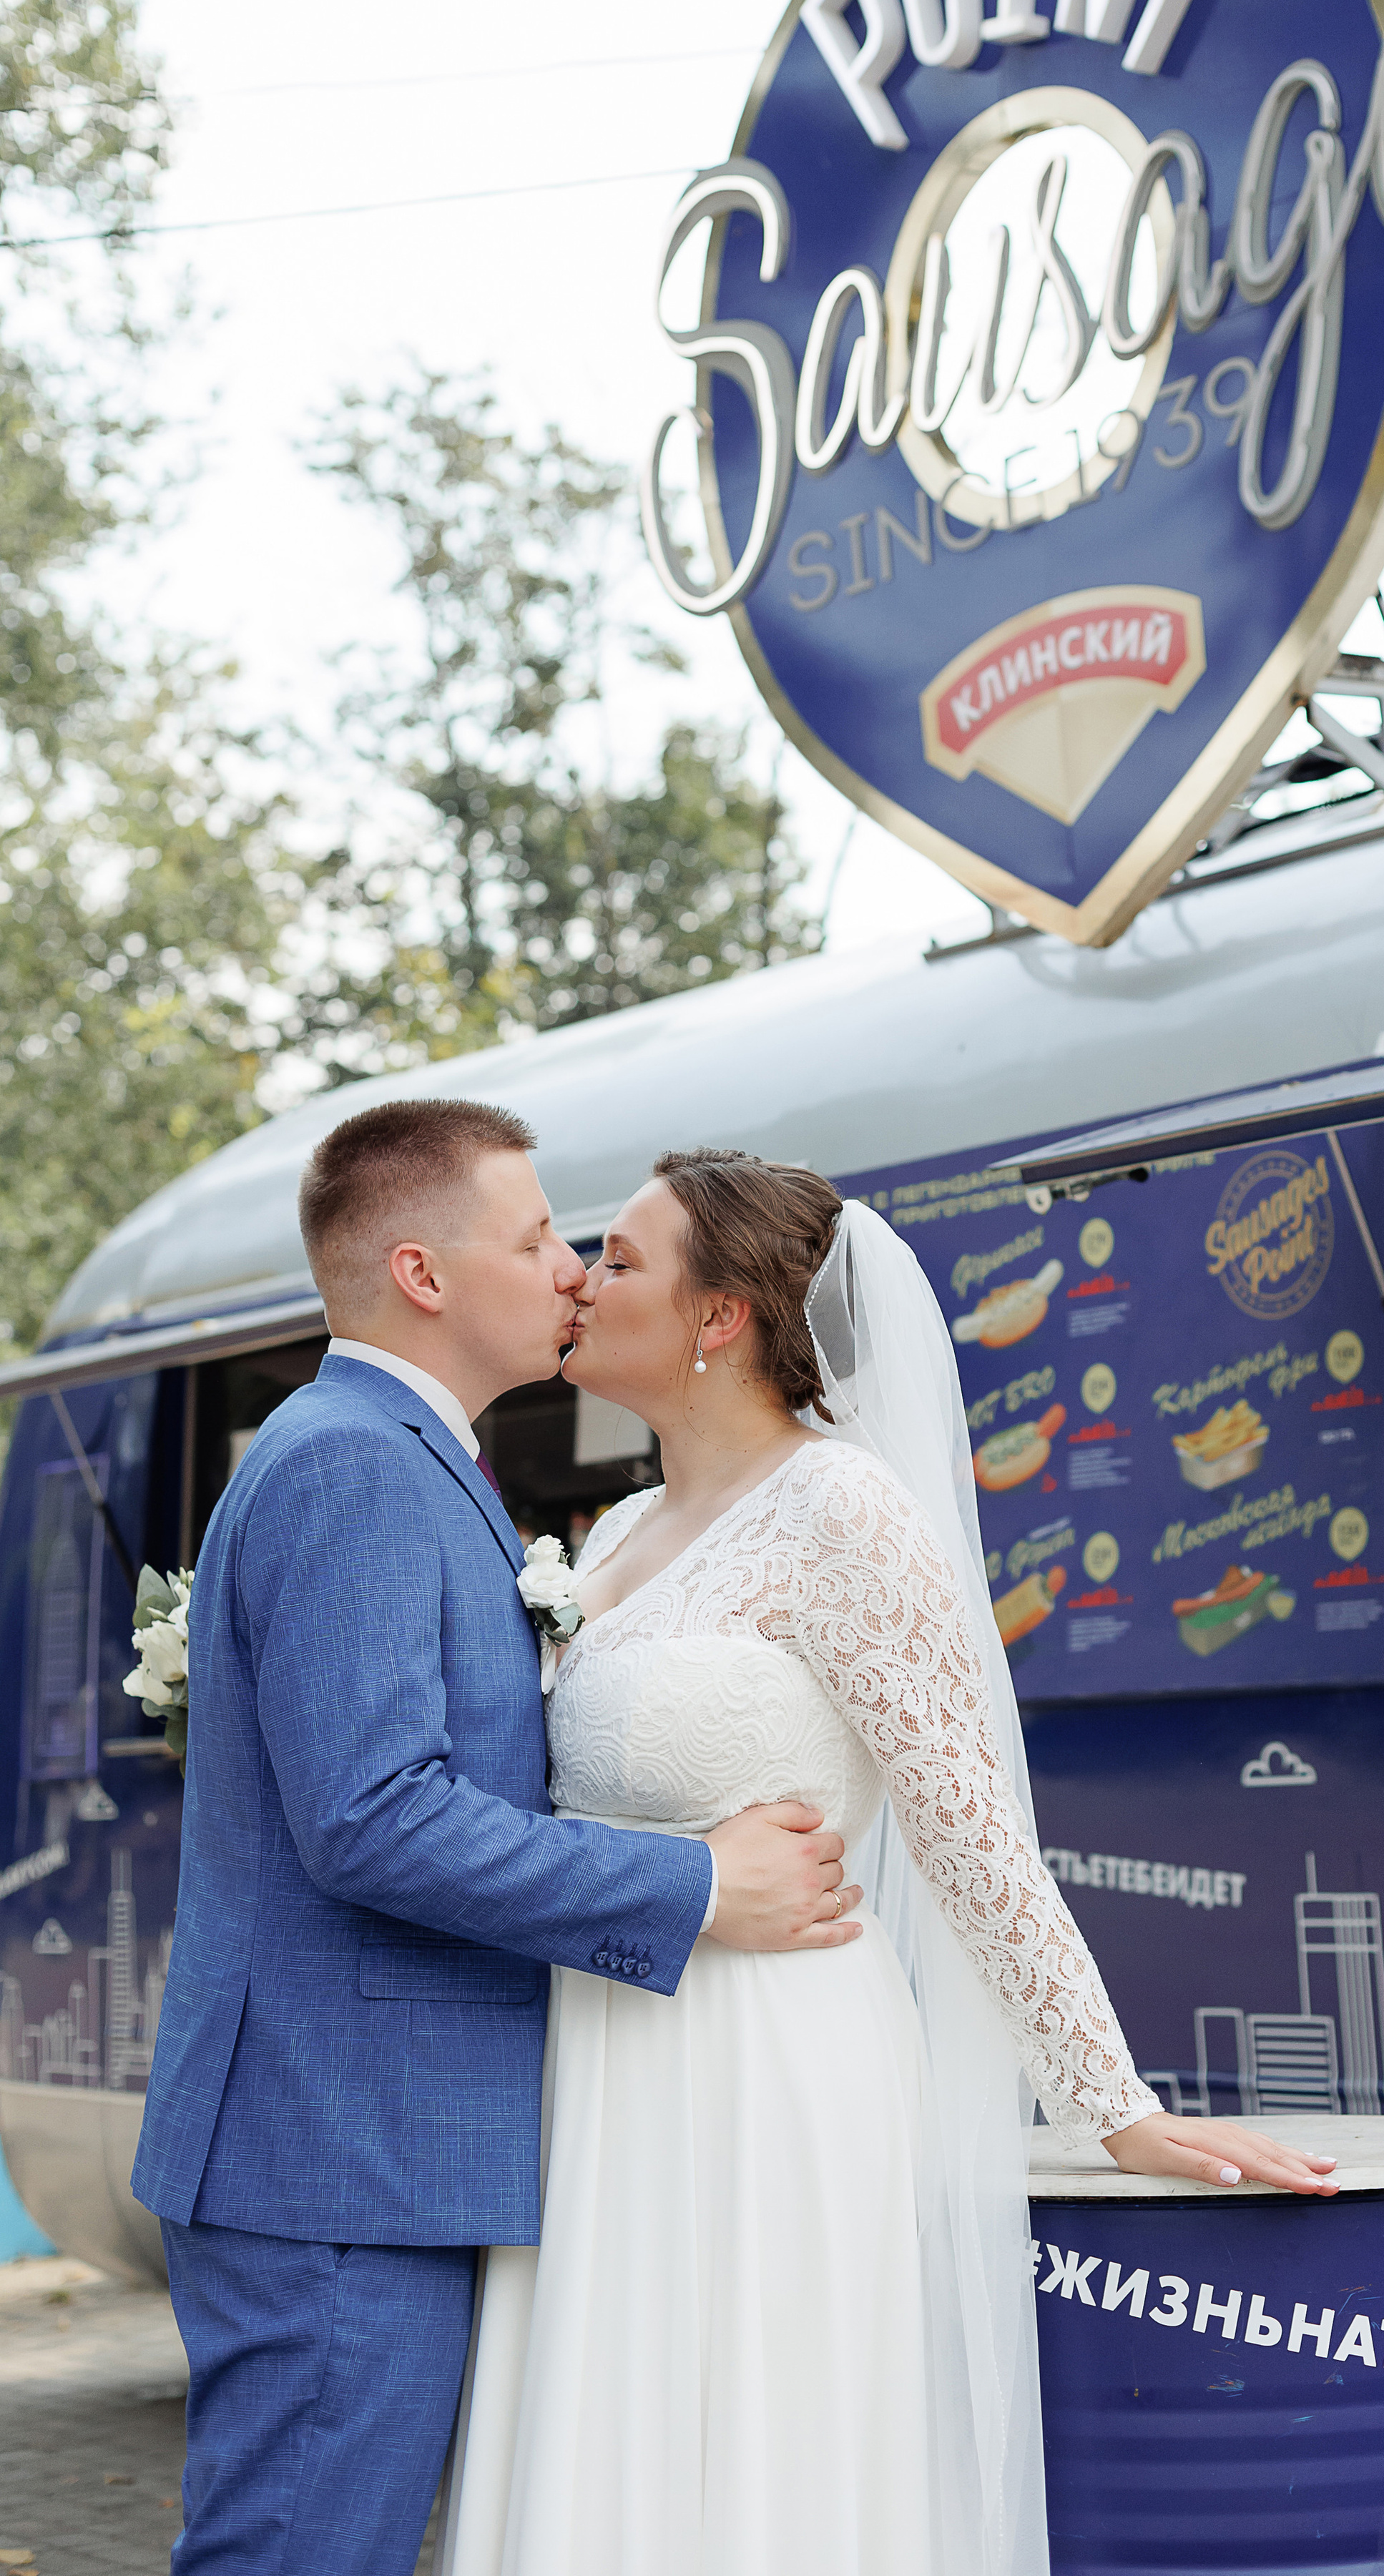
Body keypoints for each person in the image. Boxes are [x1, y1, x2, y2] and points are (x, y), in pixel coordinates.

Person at [438, 1149, 1335, 2576]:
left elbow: (972, 1836)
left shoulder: (841, 1511)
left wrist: (1115, 2106)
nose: (577, 1278)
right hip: (602, 2071)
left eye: (618, 1259)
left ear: (719, 1316)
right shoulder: (610, 1534)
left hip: (770, 2074)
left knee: (759, 2475)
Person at [133, 1101, 864, 2576]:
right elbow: (374, 1820)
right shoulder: (357, 1465)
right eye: (535, 1237)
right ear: (423, 1272)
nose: (570, 1270)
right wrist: (701, 1880)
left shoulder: (401, 1455)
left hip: (360, 2148)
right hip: (338, 2158)